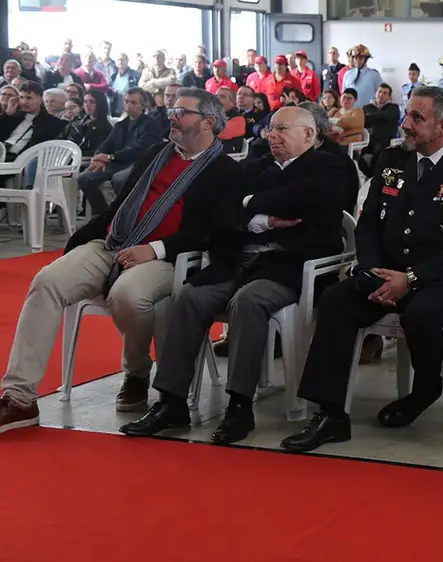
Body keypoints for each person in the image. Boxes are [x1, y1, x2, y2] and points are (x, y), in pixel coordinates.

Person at [0, 90, 243, 433]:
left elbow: (210, 233)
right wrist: (82, 242)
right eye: (172, 110)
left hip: (169, 256)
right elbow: (121, 206)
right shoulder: (157, 153)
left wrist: (155, 249)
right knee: (47, 282)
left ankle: (137, 372)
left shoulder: (226, 171)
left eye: (181, 112)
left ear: (208, 123)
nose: (171, 116)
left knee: (128, 295)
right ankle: (20, 398)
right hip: (113, 241)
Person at [279, 86, 443, 452]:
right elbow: (368, 225)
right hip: (389, 270)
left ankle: (426, 387)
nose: (406, 124)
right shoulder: (393, 159)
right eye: (406, 115)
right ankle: (331, 413)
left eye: (416, 118)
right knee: (336, 300)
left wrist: (412, 279)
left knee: (421, 313)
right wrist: (374, 269)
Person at [120, 106, 351, 442]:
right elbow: (221, 214)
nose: (272, 136)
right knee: (188, 296)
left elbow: (305, 200)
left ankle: (239, 406)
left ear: (309, 134)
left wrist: (250, 201)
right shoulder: (256, 166)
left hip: (290, 266)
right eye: (270, 129)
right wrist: (263, 219)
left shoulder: (329, 165)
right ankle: (171, 401)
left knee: (247, 301)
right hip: (238, 262)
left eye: (282, 129)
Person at [76, 88, 165, 213]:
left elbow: (141, 149)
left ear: (143, 105)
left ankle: (128, 214)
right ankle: (104, 214)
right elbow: (105, 145)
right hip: (118, 163)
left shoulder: (151, 124)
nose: (129, 105)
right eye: (126, 101)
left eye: (134, 102)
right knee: (84, 178)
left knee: (119, 179)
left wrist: (111, 157)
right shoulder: (120, 125)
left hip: (139, 164)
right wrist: (98, 158)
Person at [0, 81, 71, 162]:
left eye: (29, 98)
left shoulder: (52, 123)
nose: (24, 102)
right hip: (3, 152)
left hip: (21, 161)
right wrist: (7, 115)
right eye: (21, 97)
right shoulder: (14, 116)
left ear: (41, 99)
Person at [61, 88, 113, 159]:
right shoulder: (77, 121)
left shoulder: (106, 127)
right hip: (67, 155)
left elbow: (96, 151)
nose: (87, 105)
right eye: (85, 102)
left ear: (100, 103)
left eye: (92, 102)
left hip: (83, 160)